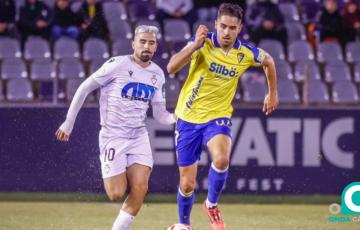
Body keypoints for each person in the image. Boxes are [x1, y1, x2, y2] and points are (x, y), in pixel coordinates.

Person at [167, 3, 278, 230]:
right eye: (223, 26)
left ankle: (211, 204)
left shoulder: (246, 53)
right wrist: (194, 46)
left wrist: (272, 93)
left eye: (232, 28)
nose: (227, 32)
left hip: (217, 116)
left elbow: (269, 61)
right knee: (187, 184)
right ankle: (184, 225)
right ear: (216, 24)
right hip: (188, 118)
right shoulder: (202, 44)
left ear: (240, 28)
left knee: (221, 159)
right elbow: (171, 68)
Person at [56, 25, 176, 230]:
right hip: (113, 136)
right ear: (134, 44)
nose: (147, 46)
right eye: (143, 41)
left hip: (139, 135)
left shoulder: (157, 74)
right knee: (116, 193)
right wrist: (68, 123)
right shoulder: (117, 64)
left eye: (151, 42)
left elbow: (159, 114)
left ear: (156, 46)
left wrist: (177, 117)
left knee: (141, 187)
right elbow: (84, 88)